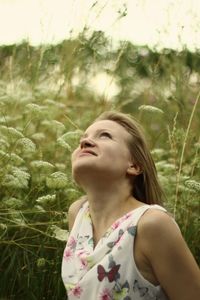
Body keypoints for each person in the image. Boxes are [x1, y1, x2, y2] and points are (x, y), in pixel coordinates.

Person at [61, 111, 200, 300]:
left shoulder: (152, 224)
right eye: (83, 138)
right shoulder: (77, 214)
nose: (85, 142)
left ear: (134, 165)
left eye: (105, 136)